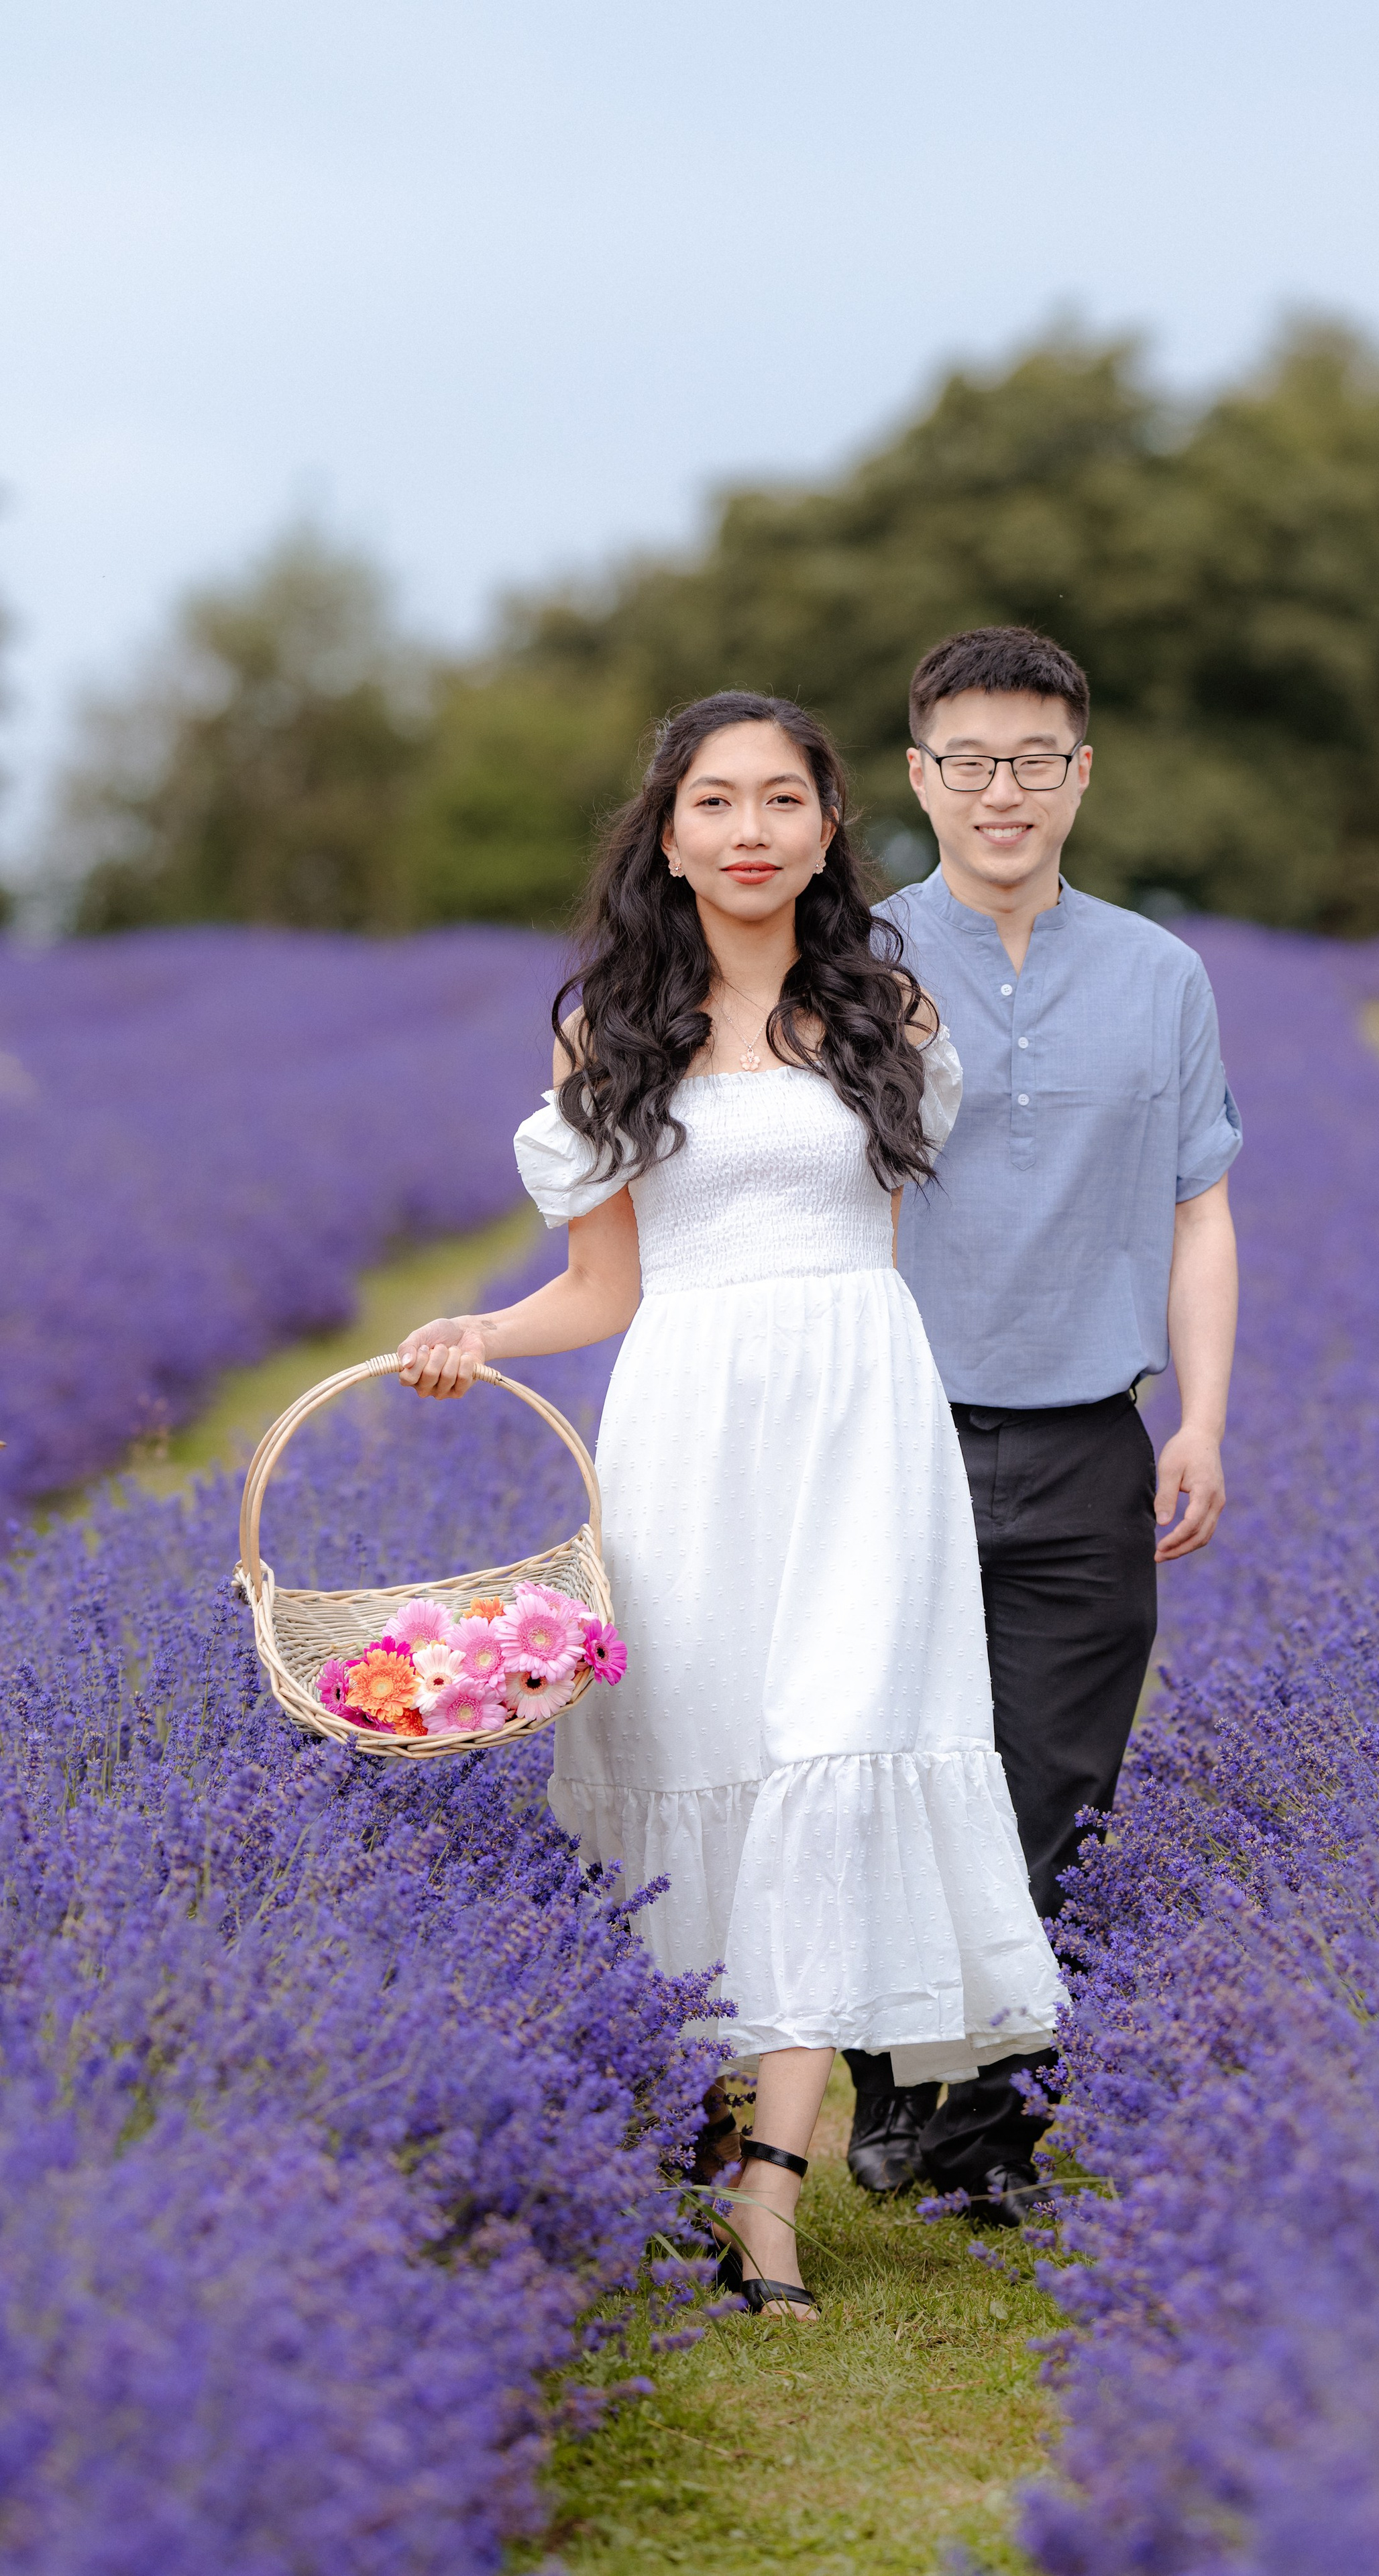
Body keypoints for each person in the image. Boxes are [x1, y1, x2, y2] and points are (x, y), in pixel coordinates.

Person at [397, 691, 1065, 2318]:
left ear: (833, 827)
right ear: (670, 831)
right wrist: (479, 1330)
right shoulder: (607, 1033)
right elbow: (601, 1283)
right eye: (717, 801)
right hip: (691, 1418)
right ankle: (697, 2127)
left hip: (857, 1411)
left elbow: (888, 1244)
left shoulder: (887, 1014)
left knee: (838, 1747)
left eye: (783, 799)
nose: (751, 828)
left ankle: (772, 2187)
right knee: (700, 1758)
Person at [841, 626, 1242, 2221]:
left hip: (1089, 1429)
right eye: (967, 761)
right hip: (892, 1427)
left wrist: (1200, 1416)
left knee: (1057, 1782)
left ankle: (989, 2122)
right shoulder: (847, 959)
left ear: (1079, 775)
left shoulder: (1159, 974)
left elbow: (1199, 1208)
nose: (1000, 791)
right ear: (919, 777)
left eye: (1033, 761)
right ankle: (883, 2087)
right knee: (886, 1762)